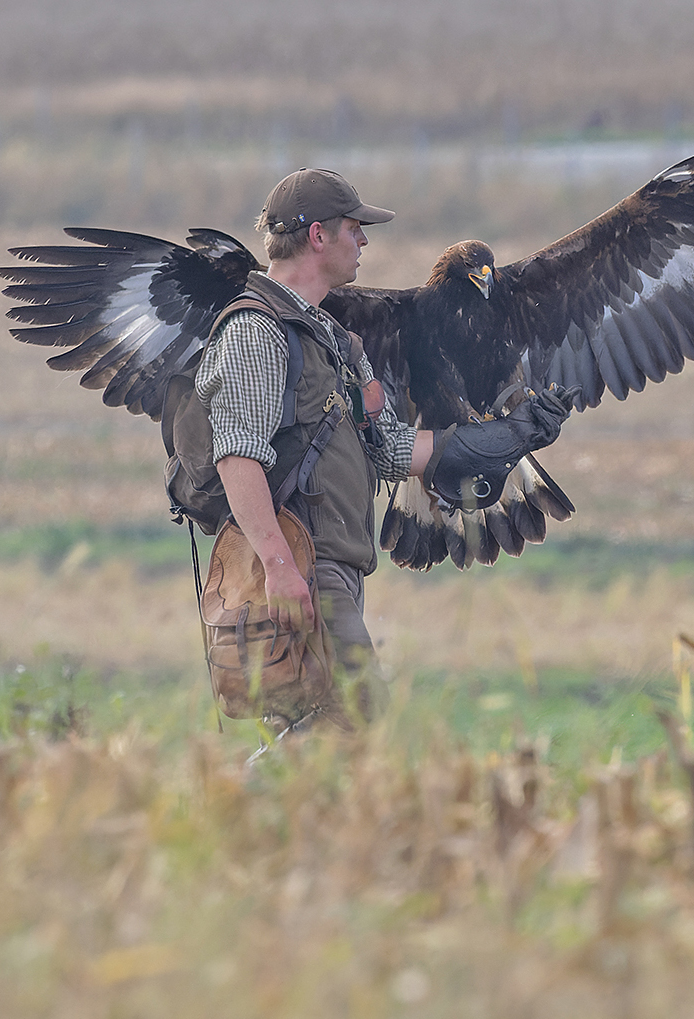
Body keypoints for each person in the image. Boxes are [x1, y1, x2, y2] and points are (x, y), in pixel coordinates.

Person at [195, 168, 573, 733]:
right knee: (358, 720)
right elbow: (237, 456)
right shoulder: (256, 331)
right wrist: (278, 566)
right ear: (318, 236)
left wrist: (496, 443)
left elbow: (387, 447)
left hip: (340, 568)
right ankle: (230, 807)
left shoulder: (333, 340)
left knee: (319, 728)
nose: (365, 241)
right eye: (354, 228)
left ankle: (249, 811)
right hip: (300, 568)